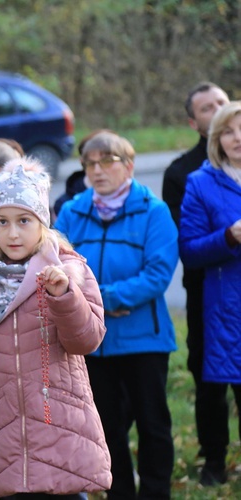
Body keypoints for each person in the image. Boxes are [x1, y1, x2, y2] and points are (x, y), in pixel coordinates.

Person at [0, 159, 112, 498]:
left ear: (42, 222)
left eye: (24, 221)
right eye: (3, 222)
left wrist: (64, 297)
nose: (13, 233)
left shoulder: (67, 270)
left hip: (62, 426)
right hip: (7, 434)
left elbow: (87, 340)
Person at [55, 131, 178, 499]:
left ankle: (156, 492)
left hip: (144, 339)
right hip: (93, 344)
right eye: (90, 163)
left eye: (107, 161)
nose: (97, 170)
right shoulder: (71, 211)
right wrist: (98, 303)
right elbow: (57, 262)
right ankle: (119, 492)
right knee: (107, 427)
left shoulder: (153, 211)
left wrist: (100, 298)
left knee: (153, 423)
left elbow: (158, 273)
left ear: (129, 166)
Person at [163, 82, 231, 486]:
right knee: (209, 381)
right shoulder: (182, 173)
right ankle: (214, 460)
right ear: (194, 122)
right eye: (208, 108)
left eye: (223, 103)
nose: (218, 110)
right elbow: (183, 239)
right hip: (206, 290)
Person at [179, 100, 241, 487]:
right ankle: (214, 463)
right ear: (216, 138)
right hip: (226, 305)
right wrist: (228, 237)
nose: (238, 139)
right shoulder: (201, 182)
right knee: (216, 390)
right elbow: (189, 249)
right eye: (230, 132)